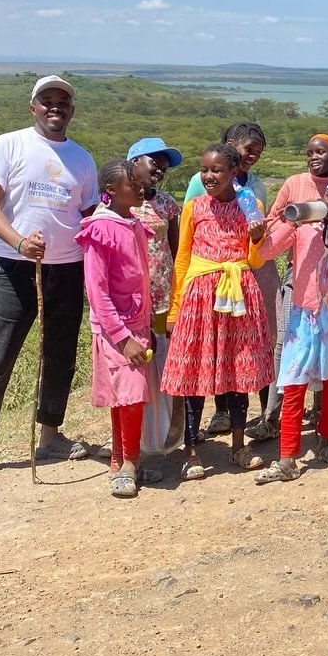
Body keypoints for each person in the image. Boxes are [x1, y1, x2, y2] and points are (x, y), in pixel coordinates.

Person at [0, 75, 99, 489]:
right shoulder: (9, 144)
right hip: (13, 266)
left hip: (67, 268)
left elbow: (88, 217)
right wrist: (19, 242)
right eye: (47, 100)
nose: (55, 107)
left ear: (71, 110)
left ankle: (51, 437)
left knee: (60, 356)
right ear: (32, 107)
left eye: (63, 102)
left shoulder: (82, 159)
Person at [161, 143, 271, 475]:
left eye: (217, 170)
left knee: (239, 369)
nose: (209, 176)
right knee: (194, 373)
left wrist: (256, 238)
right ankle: (192, 450)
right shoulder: (194, 208)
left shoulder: (252, 206)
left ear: (234, 172)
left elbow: (255, 260)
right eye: (204, 170)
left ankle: (239, 446)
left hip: (238, 294)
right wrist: (173, 311)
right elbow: (181, 260)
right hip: (199, 297)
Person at [255, 175, 328, 484]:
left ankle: (325, 442)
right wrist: (292, 221)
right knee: (294, 384)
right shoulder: (304, 229)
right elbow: (266, 252)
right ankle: (287, 457)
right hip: (306, 317)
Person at [187, 122, 277, 437]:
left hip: (248, 274)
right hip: (207, 276)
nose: (252, 155)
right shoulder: (200, 186)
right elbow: (191, 234)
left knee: (251, 346)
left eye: (257, 151)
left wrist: (255, 243)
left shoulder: (256, 189)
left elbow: (258, 241)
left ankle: (265, 415)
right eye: (247, 148)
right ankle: (220, 412)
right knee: (215, 345)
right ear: (229, 144)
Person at [75, 159, 155, 498]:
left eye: (140, 182)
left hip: (137, 324)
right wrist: (123, 339)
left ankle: (122, 461)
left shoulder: (132, 223)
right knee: (131, 394)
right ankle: (129, 465)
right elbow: (97, 291)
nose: (140, 187)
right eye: (133, 183)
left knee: (126, 397)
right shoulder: (100, 229)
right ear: (110, 190)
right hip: (116, 329)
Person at [126, 138, 183, 453]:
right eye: (154, 162)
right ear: (134, 161)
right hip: (131, 302)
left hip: (163, 297)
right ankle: (137, 440)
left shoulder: (166, 203)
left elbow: (177, 251)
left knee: (162, 364)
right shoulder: (116, 202)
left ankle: (165, 436)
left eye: (164, 165)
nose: (160, 169)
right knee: (137, 368)